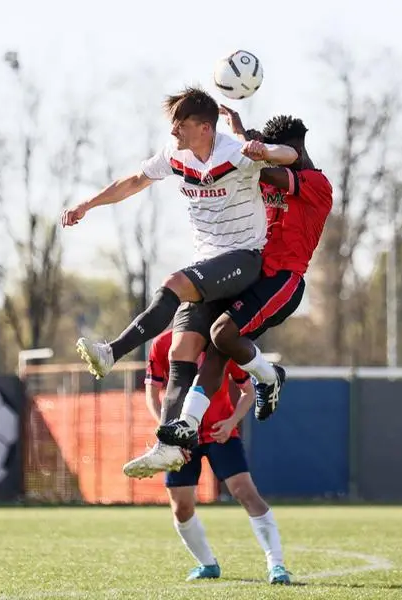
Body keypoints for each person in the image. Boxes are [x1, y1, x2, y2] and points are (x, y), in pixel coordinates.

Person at [61, 87, 298, 474]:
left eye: (181, 125)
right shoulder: (176, 156)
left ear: (205, 127)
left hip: (242, 260)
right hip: (207, 266)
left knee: (173, 283)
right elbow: (133, 180)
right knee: (180, 353)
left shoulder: (234, 152)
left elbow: (289, 159)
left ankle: (112, 352)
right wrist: (87, 205)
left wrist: (265, 150)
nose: (174, 132)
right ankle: (167, 444)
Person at [155, 111, 334, 450]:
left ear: (292, 149)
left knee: (223, 333)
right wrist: (242, 139)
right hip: (249, 274)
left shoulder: (316, 183)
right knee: (216, 348)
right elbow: (252, 163)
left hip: (283, 281)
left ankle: (268, 375)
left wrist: (244, 150)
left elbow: (262, 168)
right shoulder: (266, 172)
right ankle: (189, 424)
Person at [143, 329, 291, 585]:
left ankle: (276, 565)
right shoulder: (162, 344)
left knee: (245, 492)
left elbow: (248, 391)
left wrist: (231, 421)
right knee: (181, 507)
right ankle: (207, 564)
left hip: (218, 434)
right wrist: (170, 432)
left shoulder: (222, 342)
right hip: (181, 440)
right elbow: (152, 393)